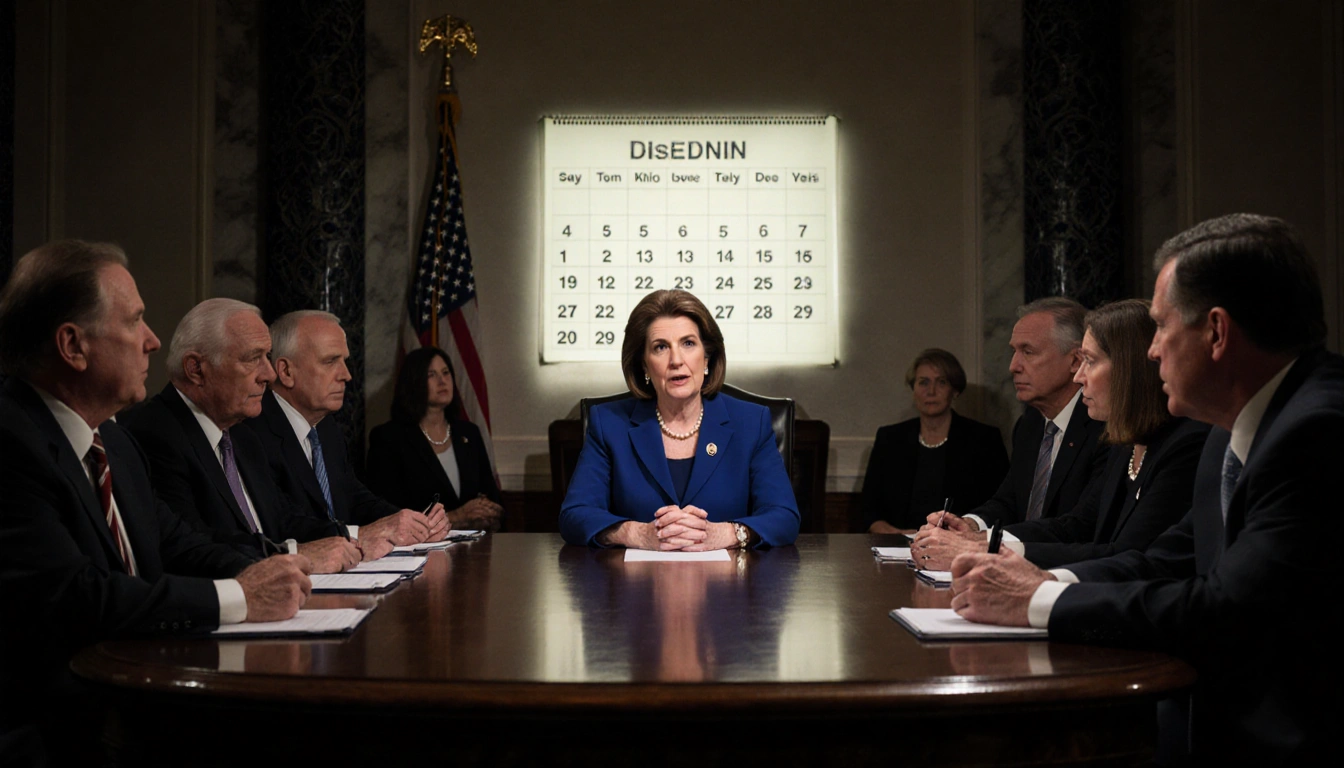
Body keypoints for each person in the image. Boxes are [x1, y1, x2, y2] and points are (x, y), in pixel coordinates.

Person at [949, 214, 1341, 763]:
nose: (1151, 351)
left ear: (1217, 332)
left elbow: (1230, 612)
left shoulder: (1318, 431)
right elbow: (1165, 558)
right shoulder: (1232, 430)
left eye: (1160, 327)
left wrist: (1036, 600)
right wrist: (1041, 578)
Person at [0, 241, 310, 764]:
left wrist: (278, 570)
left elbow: (177, 541)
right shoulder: (11, 441)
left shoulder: (115, 441)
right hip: (56, 727)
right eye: (135, 321)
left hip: (133, 693)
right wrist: (237, 596)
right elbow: (79, 598)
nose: (152, 340)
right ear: (73, 345)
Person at [912, 300, 1209, 569]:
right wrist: (979, 537)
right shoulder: (1123, 443)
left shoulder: (1183, 443)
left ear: (1129, 370)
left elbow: (1126, 556)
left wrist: (988, 550)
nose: (1080, 377)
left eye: (1089, 361)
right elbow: (1077, 524)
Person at [121, 299, 382, 570]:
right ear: (196, 369)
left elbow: (283, 520)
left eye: (267, 357)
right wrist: (294, 554)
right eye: (252, 359)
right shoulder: (156, 433)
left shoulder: (243, 435)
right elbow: (193, 545)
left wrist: (354, 538)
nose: (268, 374)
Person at [559, 289, 799, 549]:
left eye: (688, 343)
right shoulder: (610, 423)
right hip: (636, 584)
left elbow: (784, 516)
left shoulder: (751, 423)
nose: (676, 360)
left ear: (707, 357)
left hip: (729, 584)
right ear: (644, 365)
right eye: (660, 347)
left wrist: (728, 534)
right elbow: (575, 515)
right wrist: (636, 534)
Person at [241, 310, 448, 545]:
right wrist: (361, 535)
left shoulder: (327, 428)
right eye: (330, 361)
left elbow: (354, 497)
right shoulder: (253, 431)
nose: (347, 375)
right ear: (286, 372)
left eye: (345, 361)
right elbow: (283, 524)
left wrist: (415, 522)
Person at [953, 297, 1108, 531]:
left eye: (1028, 352)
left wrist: (988, 541)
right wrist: (969, 525)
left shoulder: (1103, 427)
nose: (1013, 366)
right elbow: (1009, 501)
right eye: (1014, 352)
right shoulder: (1029, 424)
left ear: (1076, 361)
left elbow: (1081, 525)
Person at [860, 348, 1009, 534]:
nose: (931, 391)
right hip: (894, 546)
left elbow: (1000, 507)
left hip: (961, 548)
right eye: (923, 383)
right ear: (913, 389)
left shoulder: (984, 440)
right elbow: (868, 510)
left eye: (941, 382)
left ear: (954, 390)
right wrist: (897, 536)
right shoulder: (890, 439)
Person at [366, 346, 503, 531]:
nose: (442, 381)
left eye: (446, 373)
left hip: (475, 547)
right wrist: (456, 517)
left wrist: (488, 511)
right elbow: (386, 515)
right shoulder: (389, 438)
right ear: (413, 382)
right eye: (431, 374)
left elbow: (493, 497)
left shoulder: (469, 433)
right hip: (419, 553)